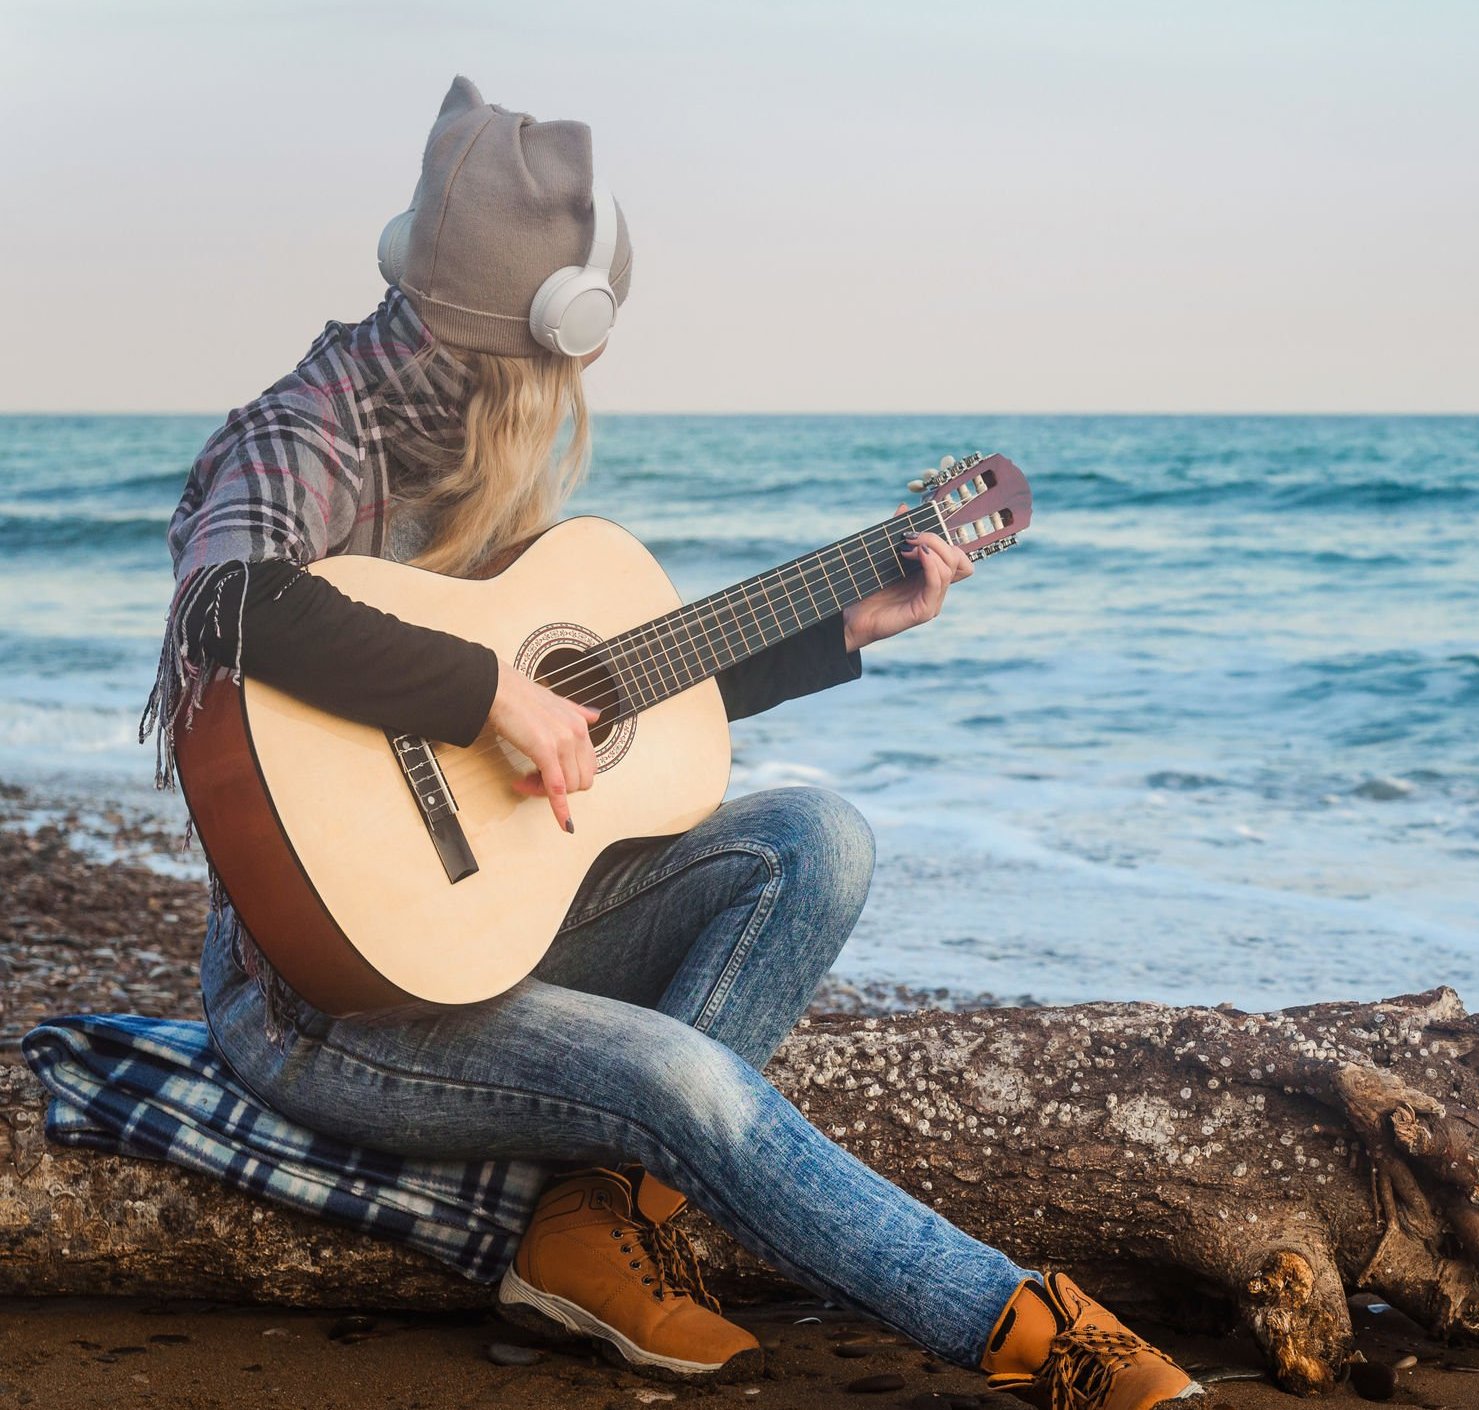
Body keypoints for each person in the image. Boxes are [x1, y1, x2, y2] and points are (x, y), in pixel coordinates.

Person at [151, 77, 1201, 1408]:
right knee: (678, 1073)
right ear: (549, 327)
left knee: (817, 836)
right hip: (317, 1003)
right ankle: (1027, 1329)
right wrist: (484, 691)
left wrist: (841, 629)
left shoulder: (466, 441)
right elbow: (227, 603)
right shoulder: (298, 433)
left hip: (459, 933)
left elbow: (592, 717)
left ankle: (592, 1227)